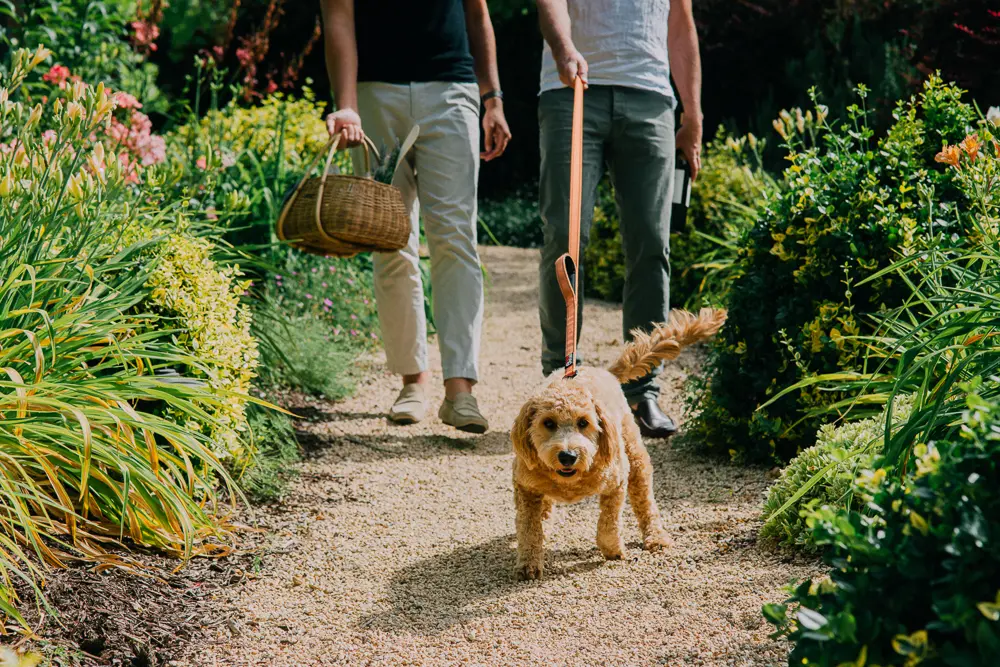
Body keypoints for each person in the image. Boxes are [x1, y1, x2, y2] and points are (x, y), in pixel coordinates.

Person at [320, 0, 511, 433]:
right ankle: (413, 381)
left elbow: (477, 13)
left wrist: (493, 97)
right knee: (390, 238)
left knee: (456, 239)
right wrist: (346, 104)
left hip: (452, 90)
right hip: (375, 94)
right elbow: (338, 15)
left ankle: (460, 390)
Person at [535, 0, 703, 438]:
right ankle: (560, 379)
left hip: (650, 96)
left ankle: (641, 389)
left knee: (651, 243)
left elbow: (680, 25)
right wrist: (563, 47)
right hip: (571, 87)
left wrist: (692, 115)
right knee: (565, 240)